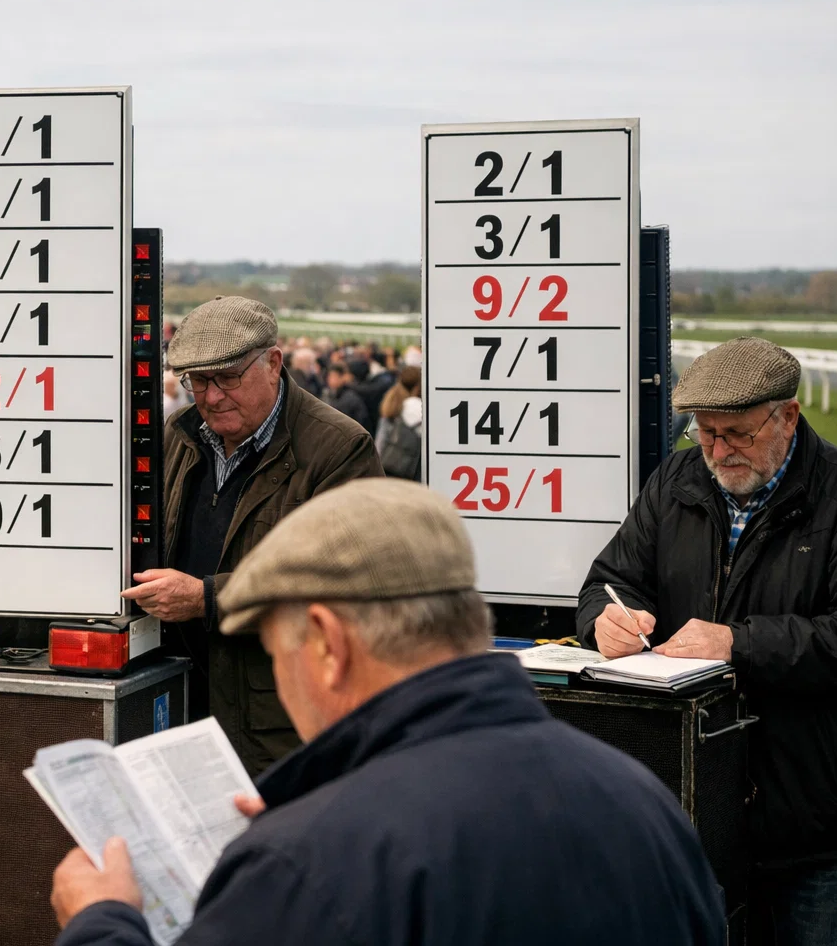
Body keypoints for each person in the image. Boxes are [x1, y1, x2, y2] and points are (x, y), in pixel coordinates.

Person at [54, 479, 725, 946]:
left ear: (327, 645)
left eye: (273, 649)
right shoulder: (644, 802)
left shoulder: (312, 861)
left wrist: (101, 920)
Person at [578, 337, 837, 945]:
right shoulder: (678, 477)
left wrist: (736, 643)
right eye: (704, 433)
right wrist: (605, 618)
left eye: (737, 433)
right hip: (692, 806)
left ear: (788, 415)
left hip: (813, 820)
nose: (718, 450)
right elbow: (611, 578)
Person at [125, 297, 380, 775]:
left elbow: (351, 580)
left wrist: (207, 597)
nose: (212, 396)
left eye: (228, 377)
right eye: (198, 381)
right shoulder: (177, 435)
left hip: (280, 722)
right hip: (175, 702)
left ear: (273, 363)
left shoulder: (339, 449)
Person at [375, 364, 423, 480]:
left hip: (389, 467)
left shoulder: (392, 405)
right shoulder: (419, 408)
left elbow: (380, 442)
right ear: (418, 386)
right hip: (411, 472)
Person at [322, 362, 371, 430]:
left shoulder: (351, 396)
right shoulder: (327, 393)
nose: (330, 380)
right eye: (329, 376)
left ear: (343, 377)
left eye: (334, 376)